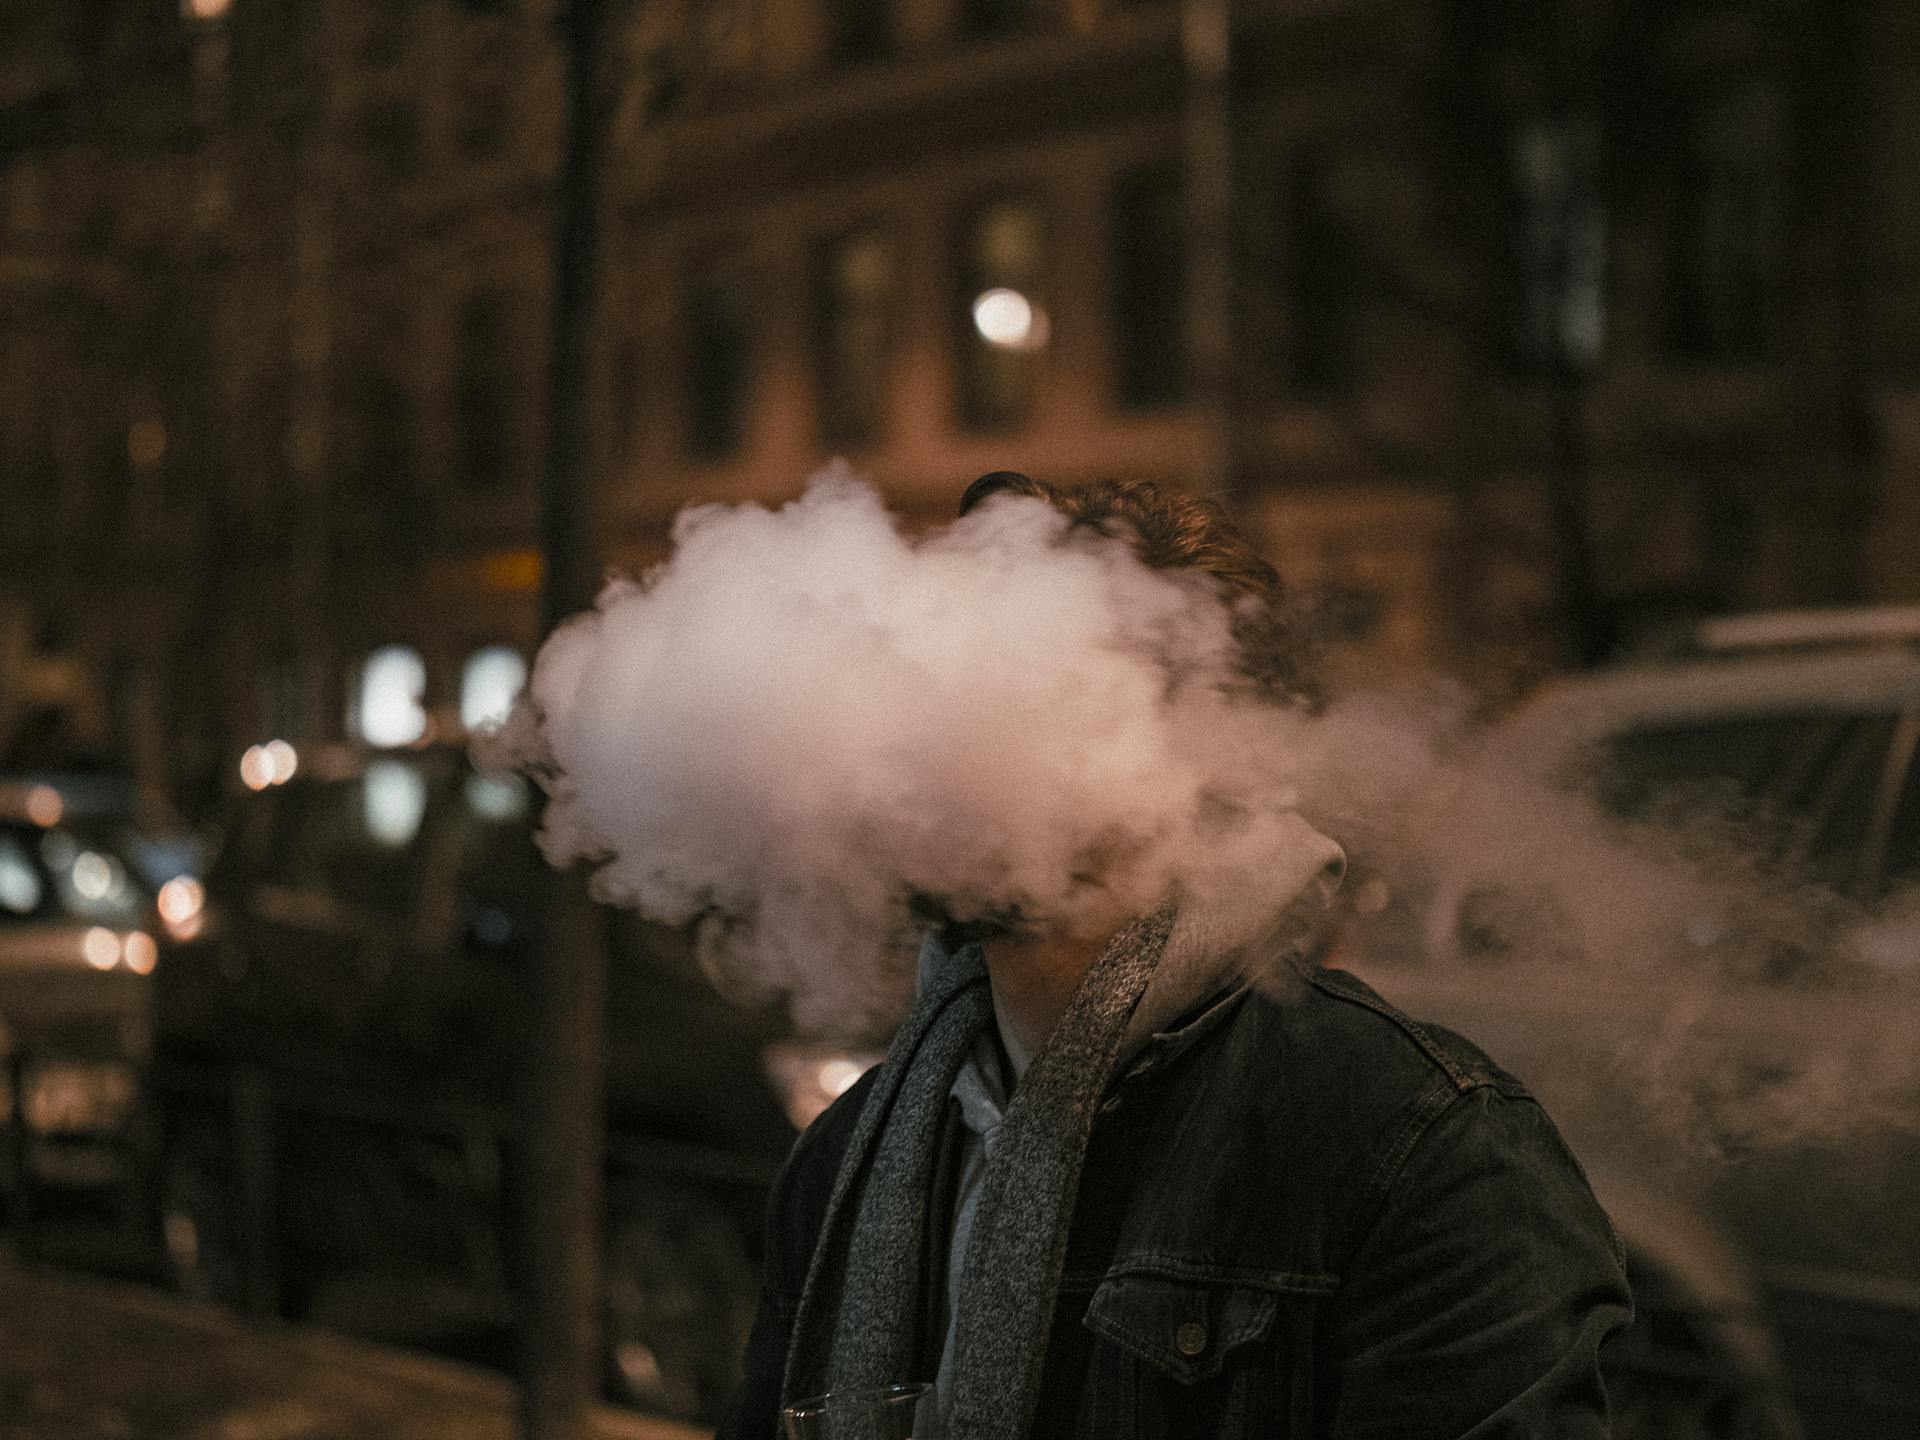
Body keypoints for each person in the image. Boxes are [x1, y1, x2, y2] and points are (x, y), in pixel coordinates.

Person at [717, 474, 1631, 1440]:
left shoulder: (1422, 1149)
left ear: (1205, 775)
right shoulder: (850, 1158)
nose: (939, 753)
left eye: (1024, 701)